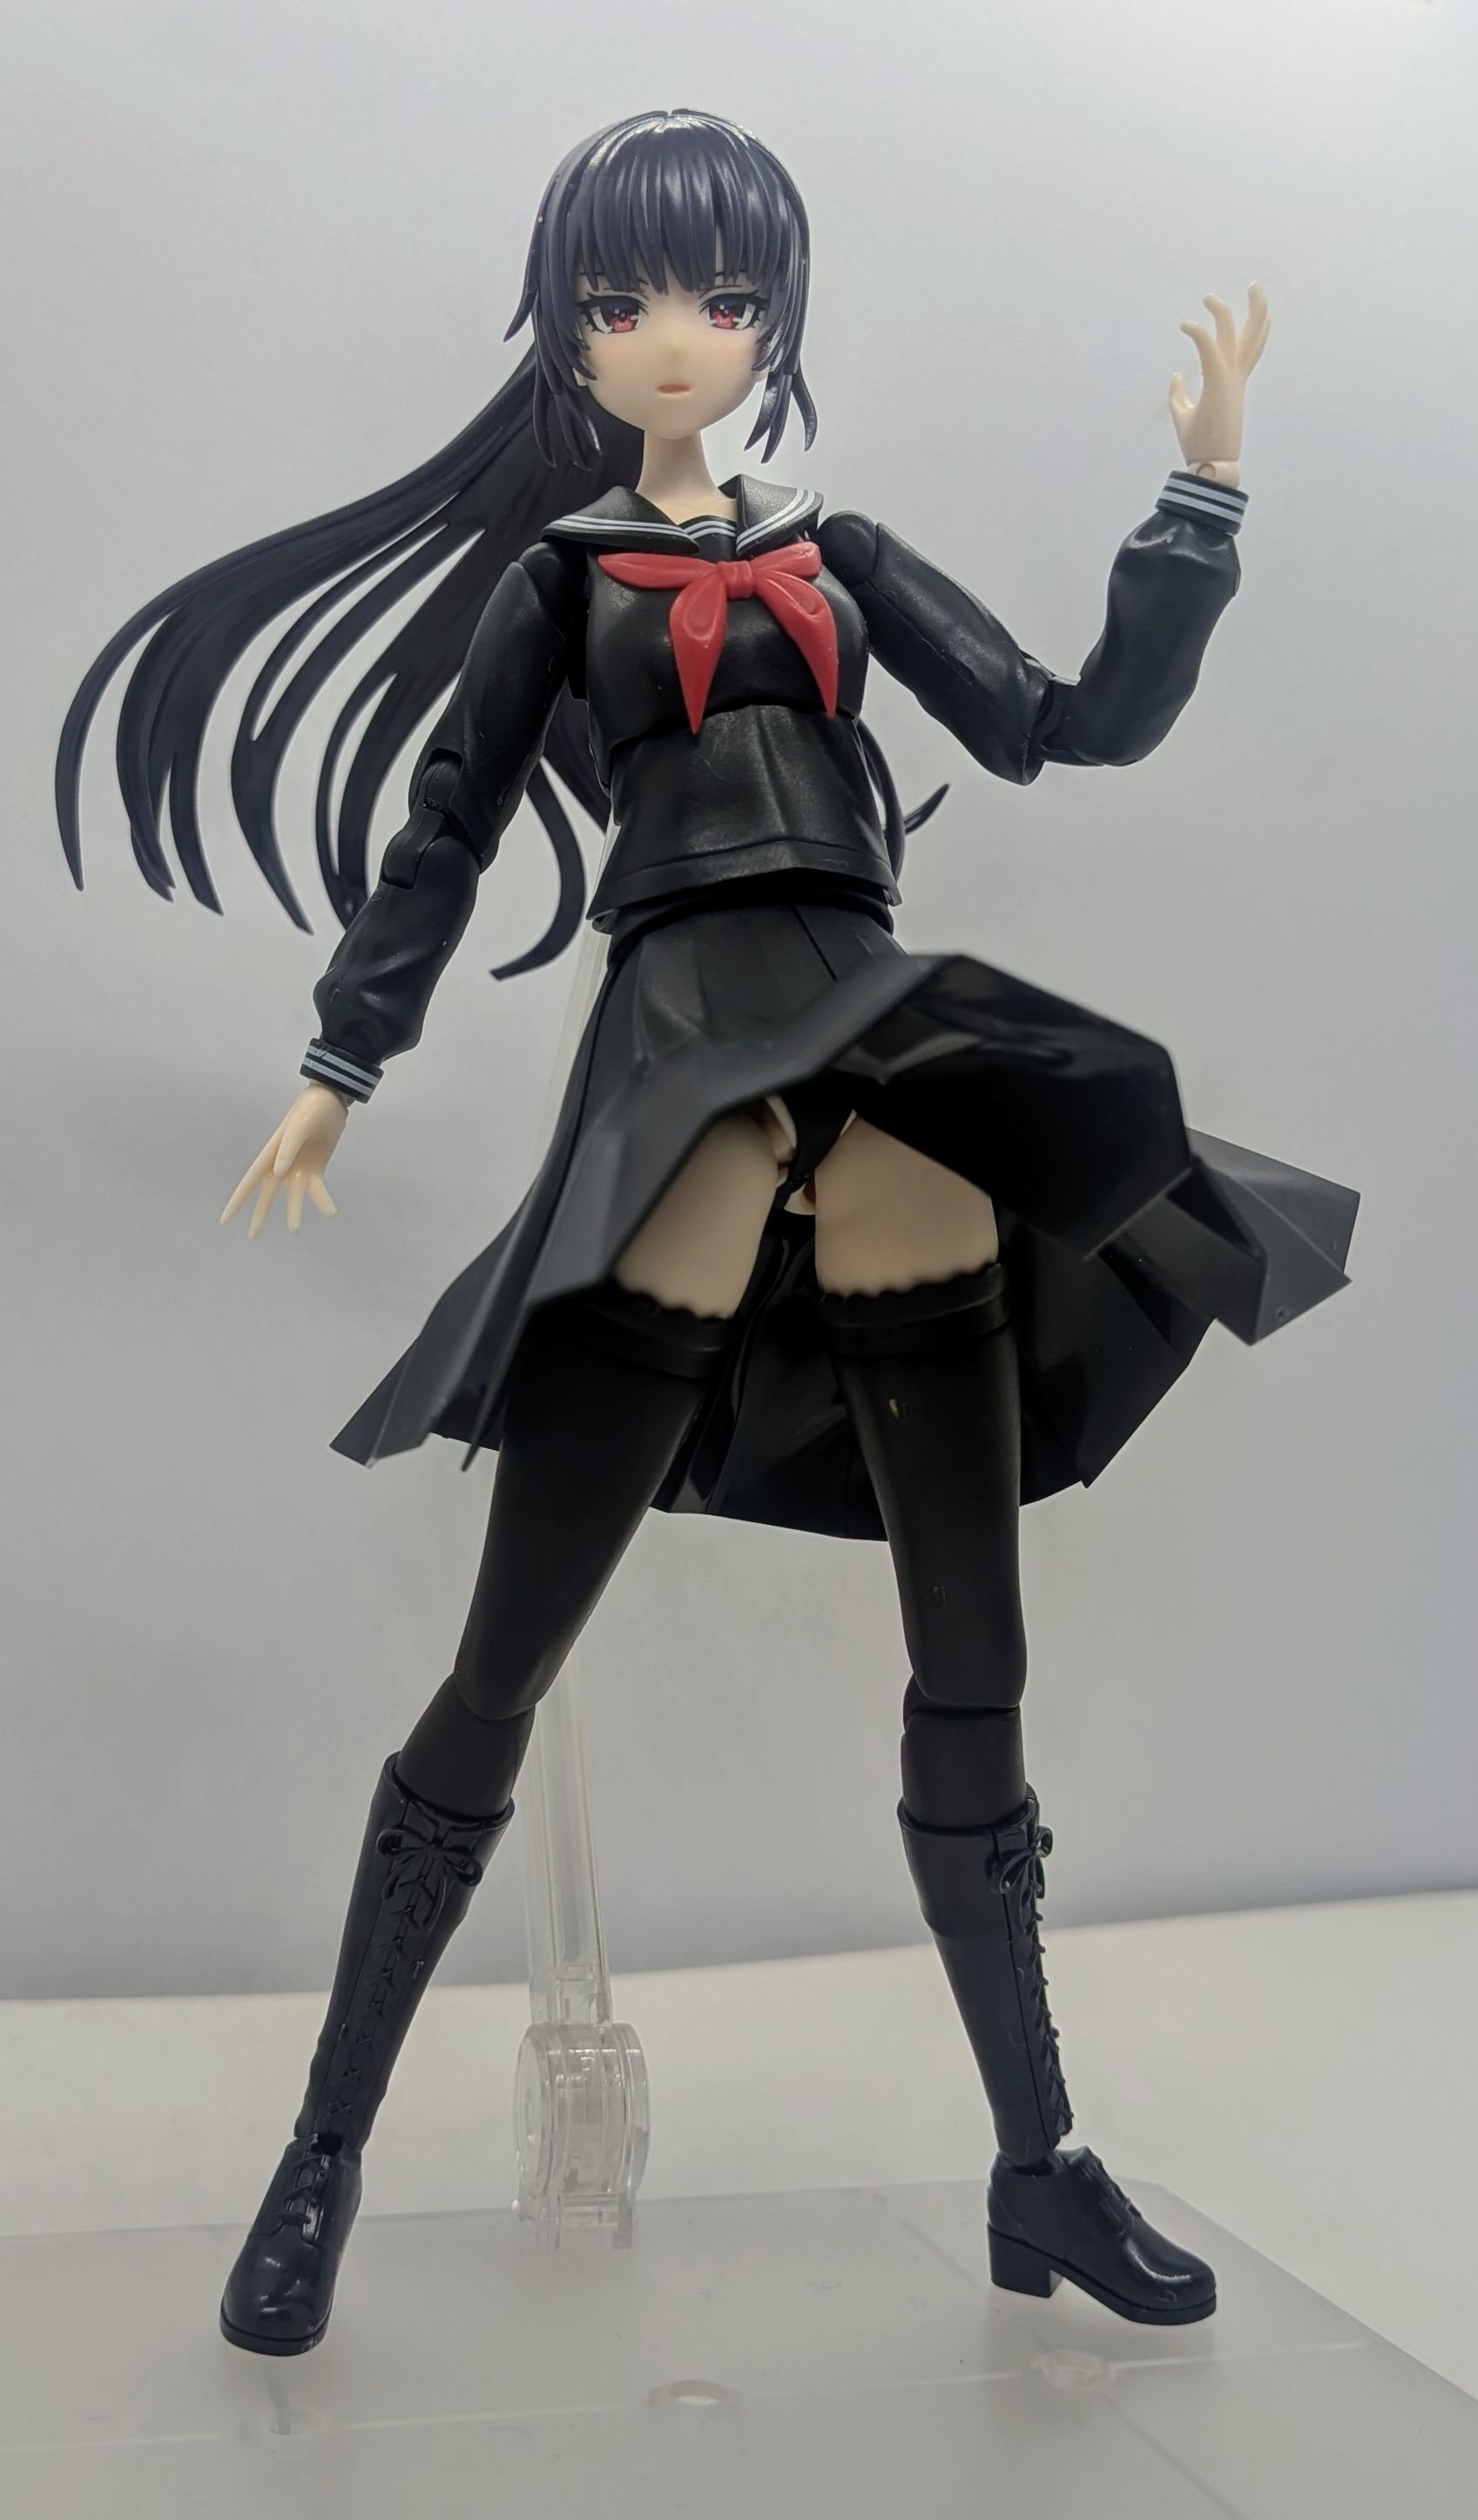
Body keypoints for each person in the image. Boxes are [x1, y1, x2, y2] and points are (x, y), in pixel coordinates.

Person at [57, 108, 1354, 2356]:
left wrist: (1202, 497)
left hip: (879, 1021)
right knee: (499, 1671)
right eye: (625, 298)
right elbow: (447, 830)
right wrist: (341, 1060)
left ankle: (1038, 2164)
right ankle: (321, 2160)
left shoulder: (840, 551)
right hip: (677, 1037)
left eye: (724, 297)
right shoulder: (555, 579)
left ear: (772, 322)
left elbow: (1064, 724)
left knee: (973, 1661)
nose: (677, 335)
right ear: (568, 331)